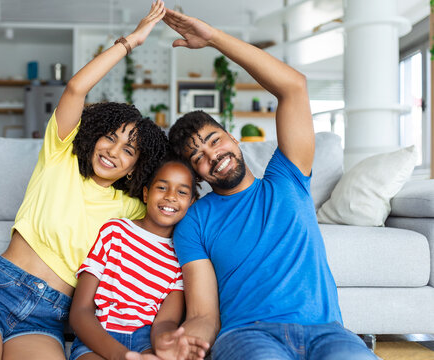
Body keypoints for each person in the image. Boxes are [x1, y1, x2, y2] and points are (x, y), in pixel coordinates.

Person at [0, 2, 169, 360]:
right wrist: (131, 41)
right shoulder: (61, 156)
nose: (113, 151)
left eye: (128, 150)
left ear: (136, 167)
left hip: (48, 317)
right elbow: (75, 89)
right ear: (96, 134)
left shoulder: (132, 207)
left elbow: (177, 196)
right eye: (110, 137)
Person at [160, 7, 379, 360]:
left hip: (327, 334)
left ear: (233, 137)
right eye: (198, 156)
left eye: (214, 140)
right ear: (197, 175)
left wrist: (213, 37)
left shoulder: (287, 177)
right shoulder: (194, 222)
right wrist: (190, 340)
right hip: (248, 336)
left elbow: (293, 86)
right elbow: (203, 314)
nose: (212, 155)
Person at [69, 157, 210, 360]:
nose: (170, 197)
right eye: (162, 187)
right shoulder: (115, 232)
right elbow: (80, 312)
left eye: (182, 192)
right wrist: (122, 355)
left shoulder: (182, 257)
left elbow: (164, 322)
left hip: (144, 343)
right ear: (146, 193)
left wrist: (166, 340)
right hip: (99, 336)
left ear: (191, 203)